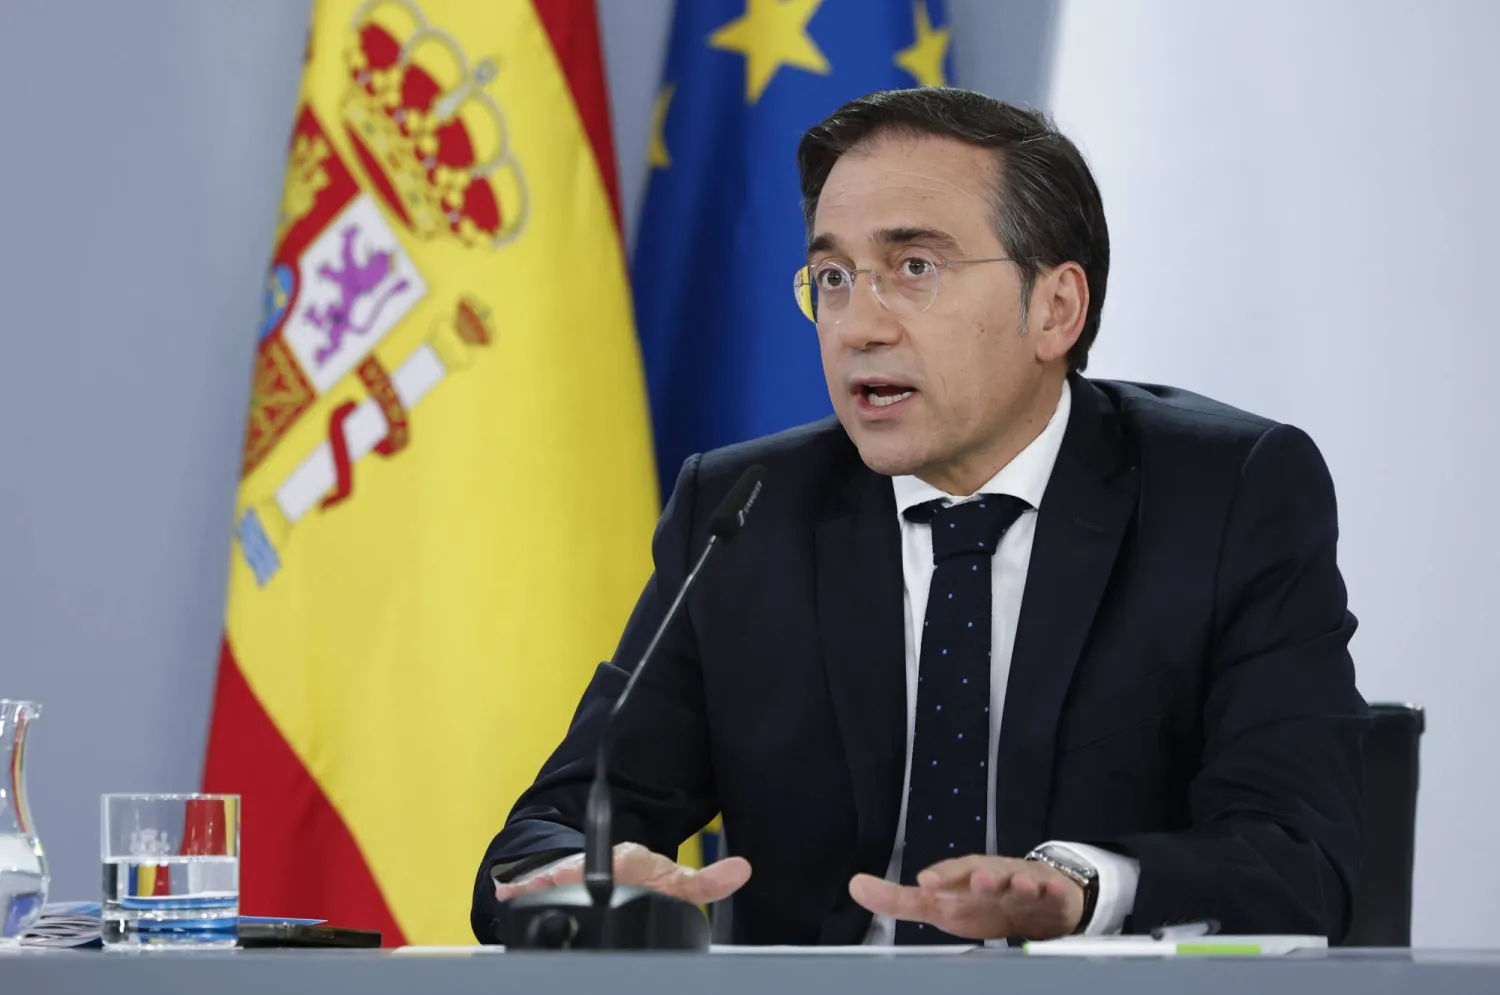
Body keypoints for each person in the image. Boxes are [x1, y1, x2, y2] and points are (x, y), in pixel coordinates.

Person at [470, 87, 1366, 946]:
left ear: (1055, 307)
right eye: (831, 276)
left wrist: (1086, 890)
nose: (857, 324)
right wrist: (586, 877)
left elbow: (1302, 860)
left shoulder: (1226, 495)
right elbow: (547, 828)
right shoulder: (748, 513)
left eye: (915, 268)